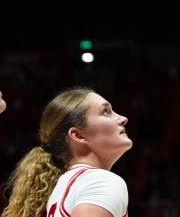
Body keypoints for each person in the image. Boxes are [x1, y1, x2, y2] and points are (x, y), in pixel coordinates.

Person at [2, 87, 131, 217]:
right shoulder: (100, 182)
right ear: (78, 135)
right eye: (106, 112)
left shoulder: (59, 188)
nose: (123, 118)